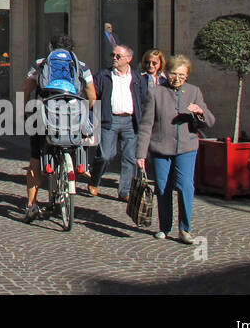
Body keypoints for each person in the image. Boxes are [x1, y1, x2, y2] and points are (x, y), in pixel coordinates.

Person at [136, 54, 215, 243]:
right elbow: (146, 125)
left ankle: (185, 229)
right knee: (163, 188)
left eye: (182, 75)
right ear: (166, 73)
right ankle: (165, 227)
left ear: (187, 75)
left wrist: (199, 113)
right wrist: (141, 154)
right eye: (173, 74)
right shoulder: (156, 93)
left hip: (187, 147)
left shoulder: (194, 91)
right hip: (161, 148)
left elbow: (210, 121)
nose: (177, 78)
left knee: (186, 186)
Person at [21, 33, 96, 223]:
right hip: (72, 115)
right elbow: (92, 95)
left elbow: (27, 87)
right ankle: (69, 179)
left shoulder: (40, 63)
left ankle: (31, 205)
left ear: (51, 47)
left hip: (44, 113)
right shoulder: (82, 66)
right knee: (71, 145)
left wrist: (24, 109)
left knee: (35, 160)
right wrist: (86, 110)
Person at [89, 44, 146, 200]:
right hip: (110, 119)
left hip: (130, 121)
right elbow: (93, 98)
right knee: (106, 155)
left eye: (118, 56)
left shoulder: (137, 79)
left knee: (129, 157)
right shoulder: (103, 76)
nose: (114, 58)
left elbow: (143, 99)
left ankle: (125, 191)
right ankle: (95, 178)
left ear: (129, 59)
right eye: (113, 55)